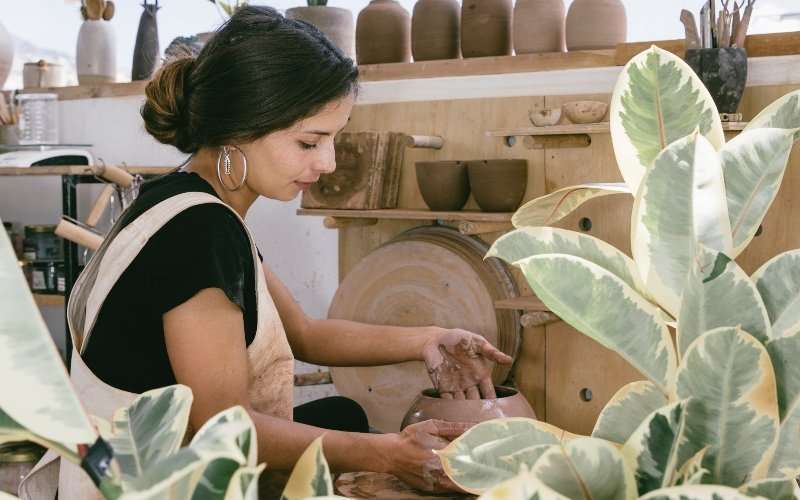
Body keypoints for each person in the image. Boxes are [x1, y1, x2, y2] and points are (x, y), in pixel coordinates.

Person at [60, 5, 512, 498]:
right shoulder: (200, 230)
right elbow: (226, 429)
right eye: (309, 142)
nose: (328, 162)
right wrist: (386, 451)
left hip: (132, 464)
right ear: (240, 127)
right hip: (141, 485)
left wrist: (431, 338)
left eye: (333, 139)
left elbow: (305, 335)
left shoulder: (180, 198)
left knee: (342, 415)